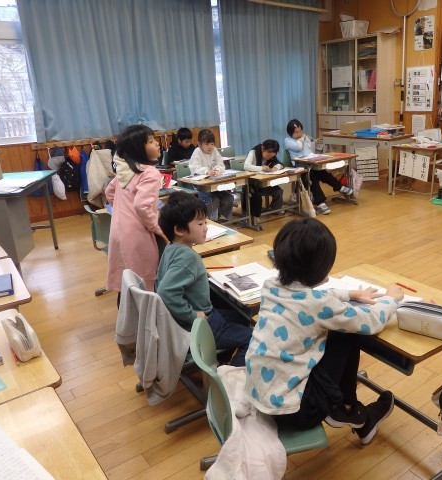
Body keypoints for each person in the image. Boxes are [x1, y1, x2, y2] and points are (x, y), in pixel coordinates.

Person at [245, 217, 403, 444]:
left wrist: (350, 294)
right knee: (347, 334)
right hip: (297, 411)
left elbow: (312, 298)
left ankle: (347, 408)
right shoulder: (317, 304)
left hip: (261, 394)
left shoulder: (271, 286)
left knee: (332, 333)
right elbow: (370, 321)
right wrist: (391, 299)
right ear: (320, 268)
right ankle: (346, 409)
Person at [156, 191, 252, 366]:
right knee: (252, 339)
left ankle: (220, 358)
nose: (206, 227)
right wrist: (193, 315)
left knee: (242, 317)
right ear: (179, 230)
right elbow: (165, 292)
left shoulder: (170, 248)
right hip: (199, 325)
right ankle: (229, 376)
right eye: (200, 223)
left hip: (186, 321)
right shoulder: (187, 257)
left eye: (205, 222)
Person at [106, 124, 167, 294]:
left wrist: (122, 211)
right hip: (137, 235)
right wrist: (155, 227)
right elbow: (141, 206)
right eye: (151, 141)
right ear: (138, 149)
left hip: (118, 231)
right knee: (143, 284)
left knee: (126, 282)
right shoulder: (150, 173)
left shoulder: (126, 171)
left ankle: (126, 311)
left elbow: (109, 192)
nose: (157, 144)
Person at [284, 119, 352, 215]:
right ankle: (321, 202)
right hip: (300, 168)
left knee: (323, 173)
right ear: (290, 133)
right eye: (296, 132)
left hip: (310, 164)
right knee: (312, 178)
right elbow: (298, 147)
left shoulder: (304, 138)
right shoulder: (288, 141)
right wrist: (302, 138)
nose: (299, 134)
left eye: (300, 131)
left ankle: (339, 188)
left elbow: (310, 149)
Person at [189, 129, 234, 222]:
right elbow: (194, 168)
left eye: (212, 144)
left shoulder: (214, 151)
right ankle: (213, 221)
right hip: (202, 187)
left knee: (229, 198)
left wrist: (218, 170)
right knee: (213, 199)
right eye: (206, 144)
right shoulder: (197, 152)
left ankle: (222, 217)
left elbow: (220, 164)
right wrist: (206, 172)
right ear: (199, 144)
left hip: (215, 185)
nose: (210, 147)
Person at [243, 139, 284, 222]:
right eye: (268, 155)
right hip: (252, 184)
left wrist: (276, 167)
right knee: (256, 197)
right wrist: (261, 168)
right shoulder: (253, 153)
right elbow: (246, 166)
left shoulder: (271, 156)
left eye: (271, 157)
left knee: (278, 191)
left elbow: (280, 164)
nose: (269, 158)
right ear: (262, 148)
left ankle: (275, 208)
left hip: (264, 183)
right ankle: (254, 215)